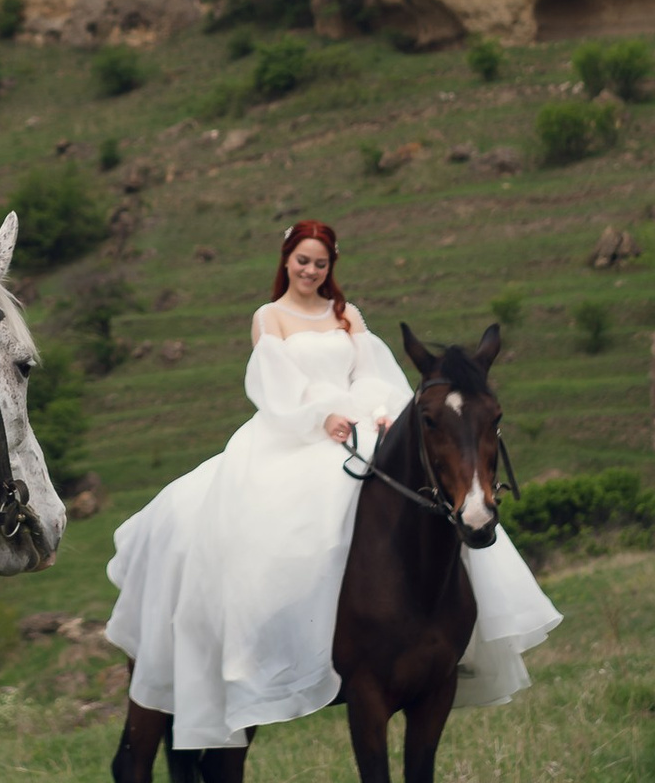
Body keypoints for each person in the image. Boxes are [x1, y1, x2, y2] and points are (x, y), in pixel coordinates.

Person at [104, 217, 556, 750]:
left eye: (320, 263)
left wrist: (375, 410)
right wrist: (321, 414)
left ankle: (448, 634)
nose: (311, 271)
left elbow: (373, 371)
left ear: (330, 266)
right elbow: (273, 382)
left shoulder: (348, 315)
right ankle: (276, 640)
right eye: (303, 261)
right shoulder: (269, 317)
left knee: (423, 503)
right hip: (295, 429)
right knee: (293, 527)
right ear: (287, 261)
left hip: (359, 424)